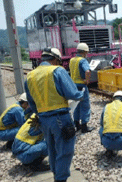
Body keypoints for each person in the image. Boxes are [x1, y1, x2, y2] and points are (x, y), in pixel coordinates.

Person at [25, 47, 84, 182]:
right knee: (65, 150)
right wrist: (81, 94)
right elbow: (72, 93)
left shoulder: (30, 76)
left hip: (44, 120)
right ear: (55, 60)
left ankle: (56, 174)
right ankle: (61, 179)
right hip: (60, 119)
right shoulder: (57, 71)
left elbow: (31, 102)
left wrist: (41, 113)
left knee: (52, 149)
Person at [69, 43, 94, 133]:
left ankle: (77, 124)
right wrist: (87, 80)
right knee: (85, 105)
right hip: (81, 86)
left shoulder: (72, 60)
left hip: (73, 86)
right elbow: (87, 71)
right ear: (84, 52)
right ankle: (84, 126)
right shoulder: (82, 60)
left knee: (76, 105)